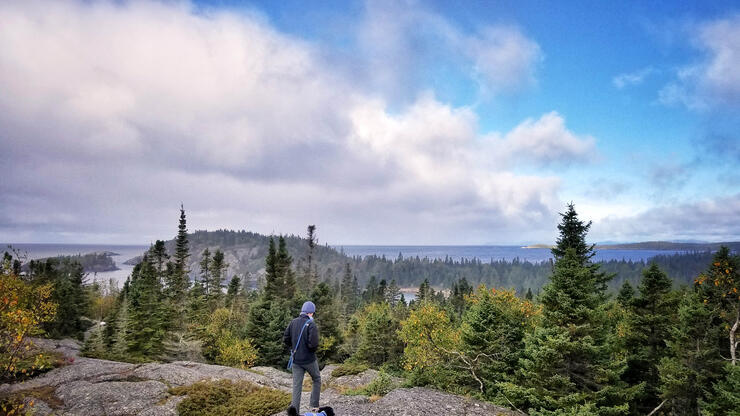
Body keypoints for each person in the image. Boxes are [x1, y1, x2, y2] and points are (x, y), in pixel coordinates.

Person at [284, 301, 321, 412]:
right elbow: (313, 344)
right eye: (313, 313)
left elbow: (285, 339)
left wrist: (294, 347)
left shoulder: (293, 322)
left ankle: (294, 412)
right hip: (309, 360)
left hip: (296, 360)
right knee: (317, 379)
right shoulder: (311, 324)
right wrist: (309, 350)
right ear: (310, 313)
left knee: (296, 386)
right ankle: (314, 405)